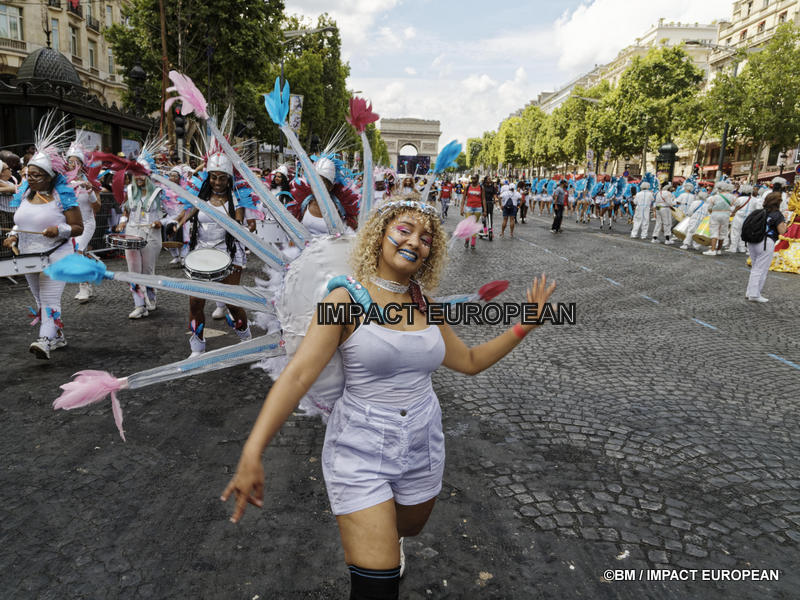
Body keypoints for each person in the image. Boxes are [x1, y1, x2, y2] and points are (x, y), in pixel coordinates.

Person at [220, 194, 557, 600]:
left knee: (409, 527)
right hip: (359, 450)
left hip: (422, 445)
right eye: (404, 229)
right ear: (380, 236)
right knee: (376, 584)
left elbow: (467, 361)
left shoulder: (425, 306)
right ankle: (377, 544)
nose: (415, 241)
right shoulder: (343, 300)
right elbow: (296, 377)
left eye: (426, 238)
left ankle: (389, 538)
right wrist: (253, 451)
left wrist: (525, 325)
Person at [2, 119, 83, 359]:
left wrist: (59, 230)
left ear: (49, 176)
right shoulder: (24, 193)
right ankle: (58, 335)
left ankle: (45, 340)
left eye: (37, 175)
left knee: (49, 298)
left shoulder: (63, 195)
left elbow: (77, 227)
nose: (31, 179)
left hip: (56, 254)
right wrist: (13, 235)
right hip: (28, 255)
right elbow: (20, 221)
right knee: (39, 298)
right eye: (28, 174)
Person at [177, 152, 251, 355]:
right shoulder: (200, 198)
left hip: (228, 253)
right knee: (195, 302)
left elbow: (238, 223)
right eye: (213, 177)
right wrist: (178, 221)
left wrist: (233, 219)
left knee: (232, 304)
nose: (217, 182)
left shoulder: (235, 200)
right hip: (201, 253)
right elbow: (184, 216)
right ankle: (197, 348)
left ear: (229, 179)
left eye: (222, 177)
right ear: (208, 177)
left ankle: (246, 340)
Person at [116, 156, 164, 319]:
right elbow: (125, 211)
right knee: (133, 271)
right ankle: (139, 305)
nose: (139, 178)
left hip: (151, 235)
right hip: (132, 233)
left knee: (147, 271)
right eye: (136, 174)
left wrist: (161, 222)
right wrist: (122, 223)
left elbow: (171, 214)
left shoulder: (159, 192)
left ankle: (150, 295)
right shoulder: (129, 191)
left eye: (142, 174)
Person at [66, 137, 101, 301]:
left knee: (78, 252)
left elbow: (97, 208)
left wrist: (90, 191)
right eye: (69, 161)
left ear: (81, 164)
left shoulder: (91, 182)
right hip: (71, 225)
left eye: (75, 161)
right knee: (79, 253)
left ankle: (84, 288)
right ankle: (90, 276)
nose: (72, 164)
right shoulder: (63, 183)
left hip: (87, 223)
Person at [745, 191, 786, 302]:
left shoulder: (760, 212)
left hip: (753, 241)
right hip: (766, 242)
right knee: (761, 269)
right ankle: (754, 294)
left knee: (755, 268)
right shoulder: (777, 215)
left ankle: (750, 291)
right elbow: (782, 231)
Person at [703, 181, 734, 256]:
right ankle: (719, 249)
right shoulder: (731, 196)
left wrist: (711, 212)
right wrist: (733, 212)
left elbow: (709, 207)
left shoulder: (715, 197)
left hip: (716, 214)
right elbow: (736, 204)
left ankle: (712, 250)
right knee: (722, 232)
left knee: (714, 231)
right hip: (726, 214)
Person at [728, 184, 755, 253]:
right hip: (749, 219)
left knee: (735, 232)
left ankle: (733, 248)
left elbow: (733, 208)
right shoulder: (754, 200)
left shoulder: (739, 199)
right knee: (744, 233)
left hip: (738, 217)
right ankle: (742, 248)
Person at [460, 174, 484, 249]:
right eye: (472, 178)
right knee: (468, 225)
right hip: (469, 208)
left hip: (478, 208)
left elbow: (483, 199)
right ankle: (467, 240)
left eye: (474, 178)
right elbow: (464, 198)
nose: (473, 180)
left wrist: (485, 210)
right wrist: (461, 208)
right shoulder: (467, 187)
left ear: (477, 179)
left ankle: (473, 243)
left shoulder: (481, 187)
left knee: (474, 225)